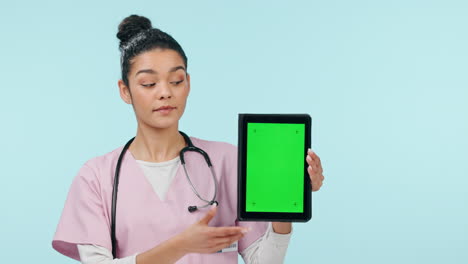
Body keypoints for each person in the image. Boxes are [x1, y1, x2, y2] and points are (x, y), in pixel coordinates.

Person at [51, 14, 325, 264]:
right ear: (125, 91)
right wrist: (179, 246)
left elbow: (264, 261)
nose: (165, 93)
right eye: (149, 83)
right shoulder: (97, 177)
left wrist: (284, 203)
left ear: (188, 84)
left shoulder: (227, 161)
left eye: (176, 81)